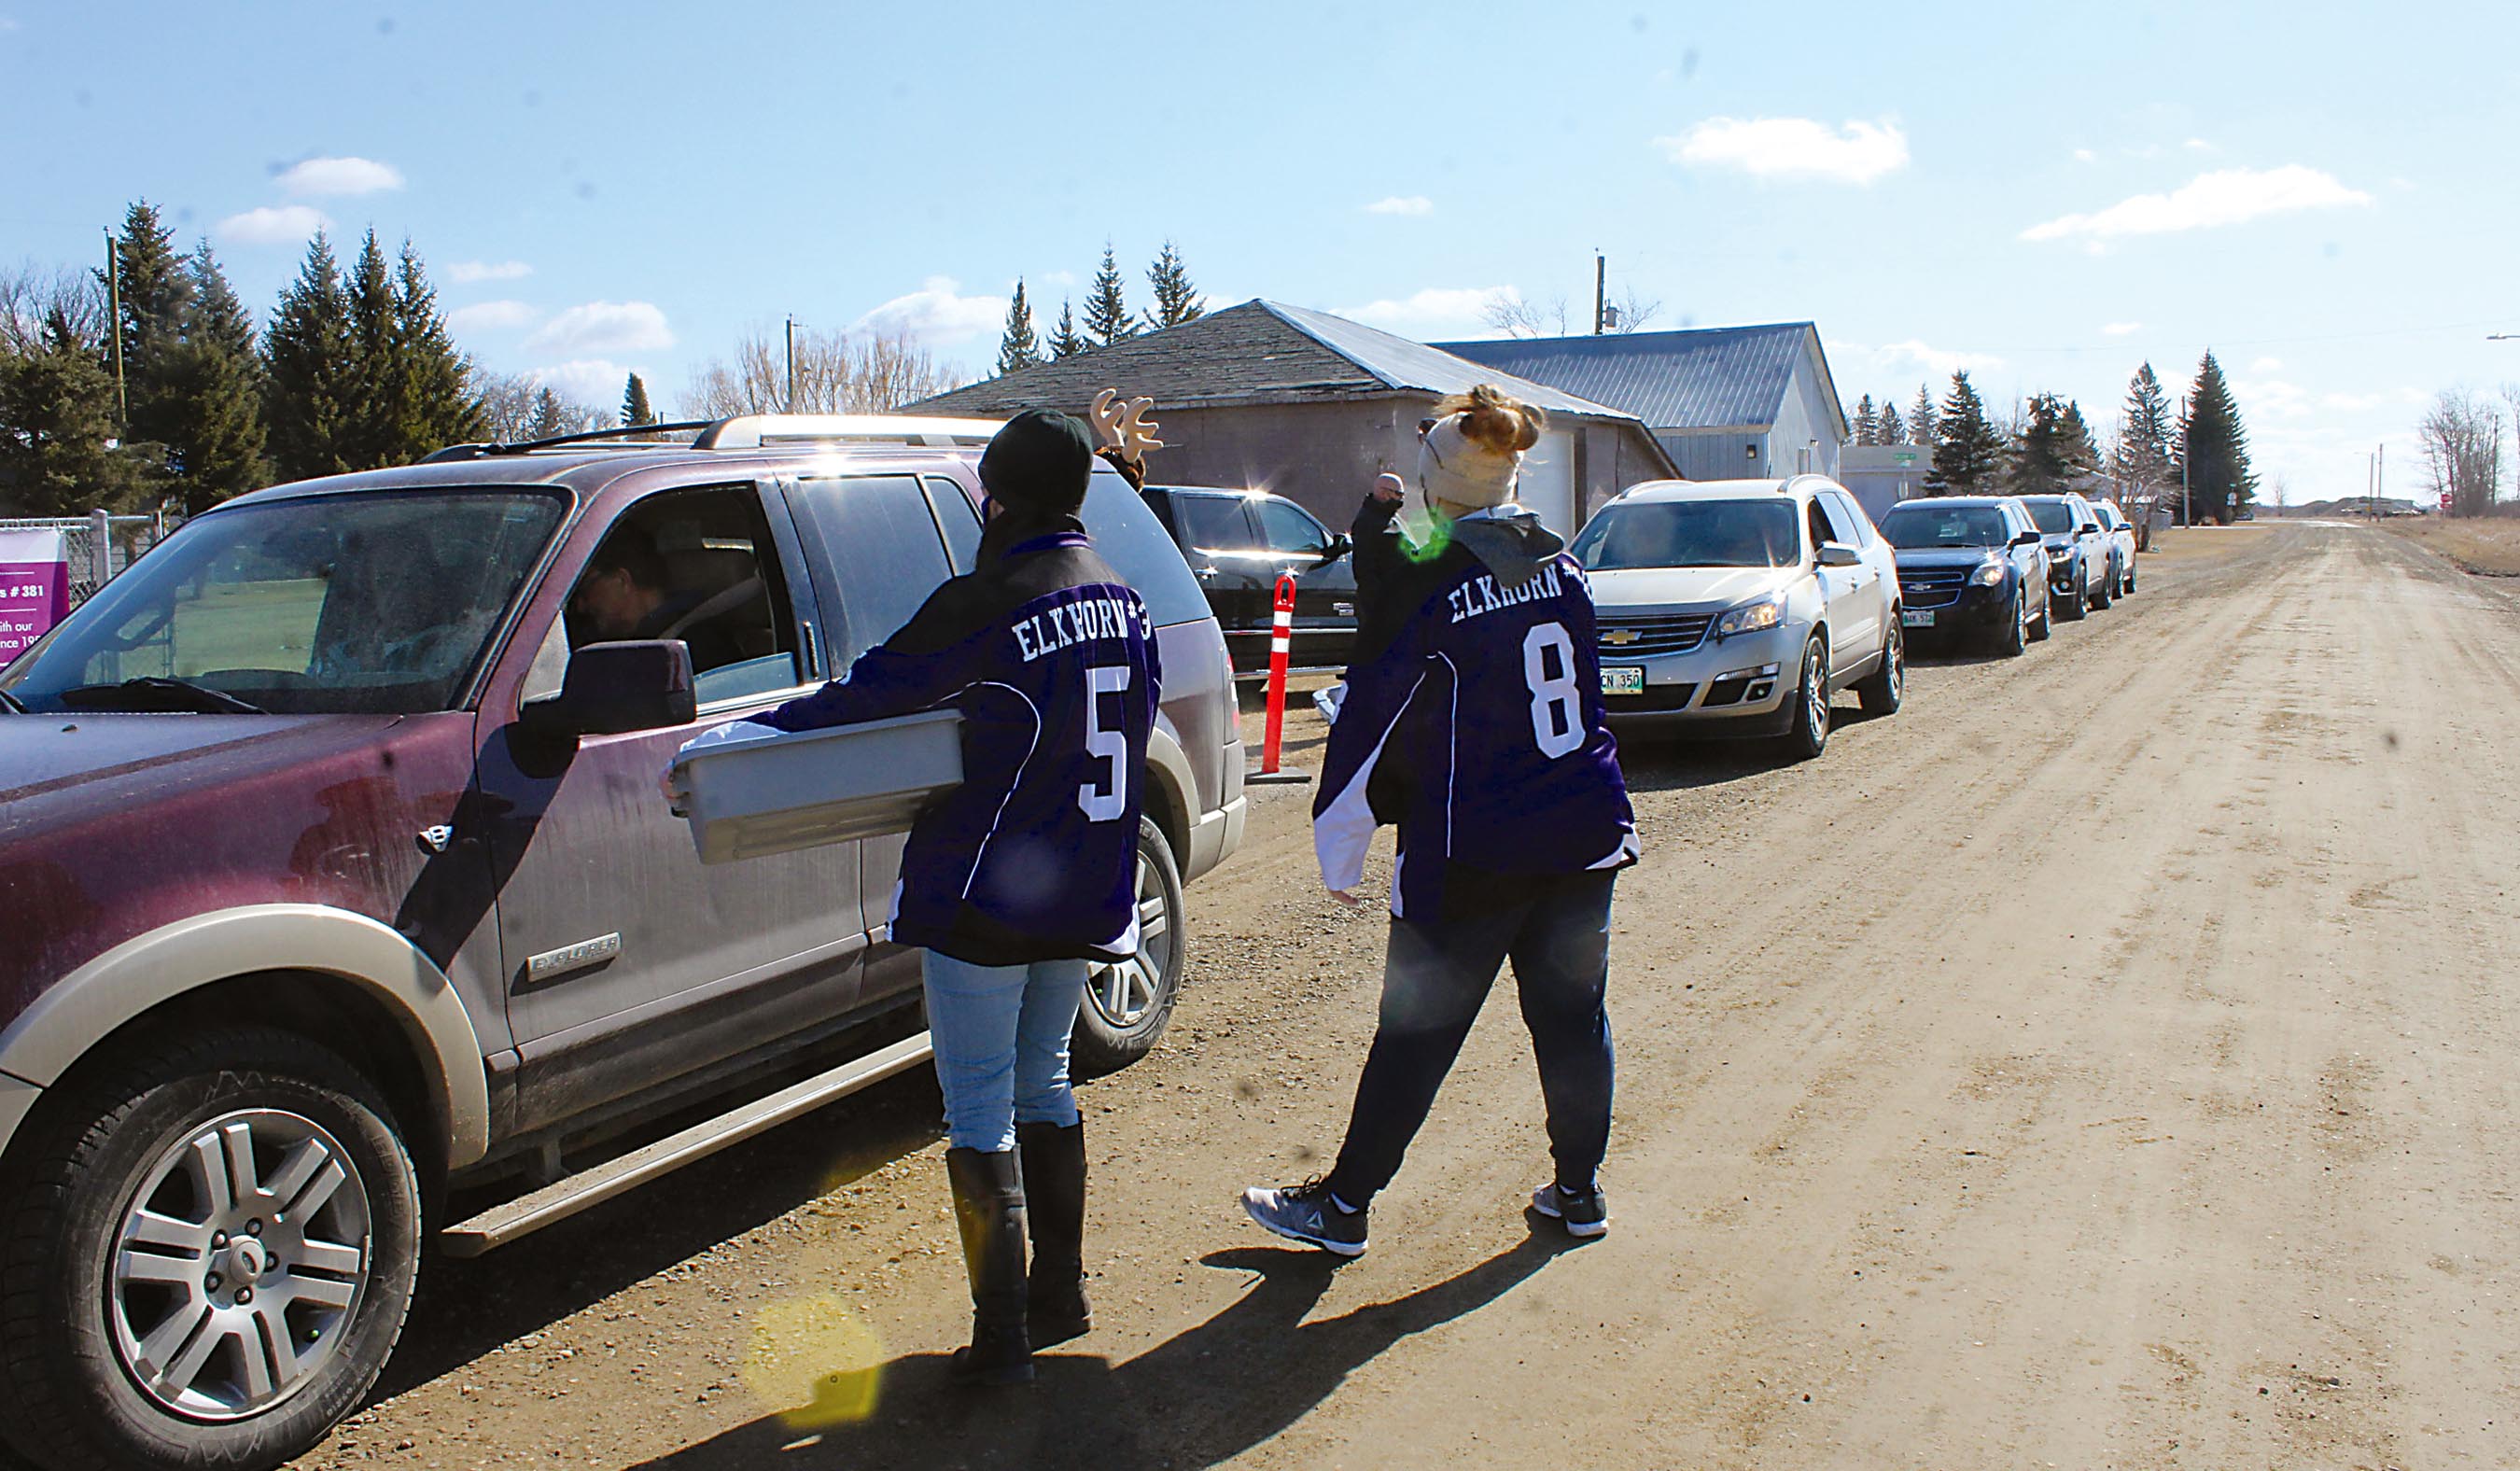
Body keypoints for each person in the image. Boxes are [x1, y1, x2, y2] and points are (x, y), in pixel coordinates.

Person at [680, 407, 1160, 1387]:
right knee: (1047, 1081)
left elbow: (863, 696)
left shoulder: (988, 598)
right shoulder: (1128, 593)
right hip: (1080, 886)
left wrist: (736, 744)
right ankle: (1059, 1295)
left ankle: (999, 1342)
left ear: (1006, 497)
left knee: (980, 1107)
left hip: (988, 889)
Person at [1240, 384, 1638, 1256]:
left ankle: (1342, 1208)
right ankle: (1579, 1192)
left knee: (1416, 1033)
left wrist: (1340, 849)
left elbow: (1373, 720)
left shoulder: (1438, 585)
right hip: (1582, 829)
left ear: (1436, 483)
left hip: (1476, 849)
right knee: (1574, 1022)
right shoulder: (1561, 564)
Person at [572, 524, 747, 672]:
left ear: (622, 580)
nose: (580, 606)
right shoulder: (606, 641)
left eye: (587, 587)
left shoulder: (698, 643)